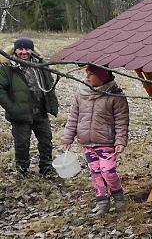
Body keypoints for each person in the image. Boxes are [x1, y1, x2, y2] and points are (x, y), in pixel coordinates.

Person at [62, 65, 130, 215]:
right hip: (87, 142)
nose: (86, 77)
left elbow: (121, 121)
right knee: (95, 173)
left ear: (102, 77)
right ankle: (102, 202)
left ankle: (118, 195)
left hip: (105, 142)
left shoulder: (115, 96)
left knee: (108, 171)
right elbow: (73, 117)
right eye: (86, 73)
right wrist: (68, 137)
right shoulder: (81, 93)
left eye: (91, 74)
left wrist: (120, 141)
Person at [0, 38, 59, 178]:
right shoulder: (7, 67)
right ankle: (22, 171)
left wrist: (50, 104)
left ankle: (46, 168)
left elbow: (49, 83)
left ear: (31, 50)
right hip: (20, 113)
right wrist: (12, 108)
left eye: (27, 49)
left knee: (46, 141)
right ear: (15, 50)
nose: (24, 52)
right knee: (22, 144)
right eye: (20, 49)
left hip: (40, 111)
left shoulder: (40, 64)